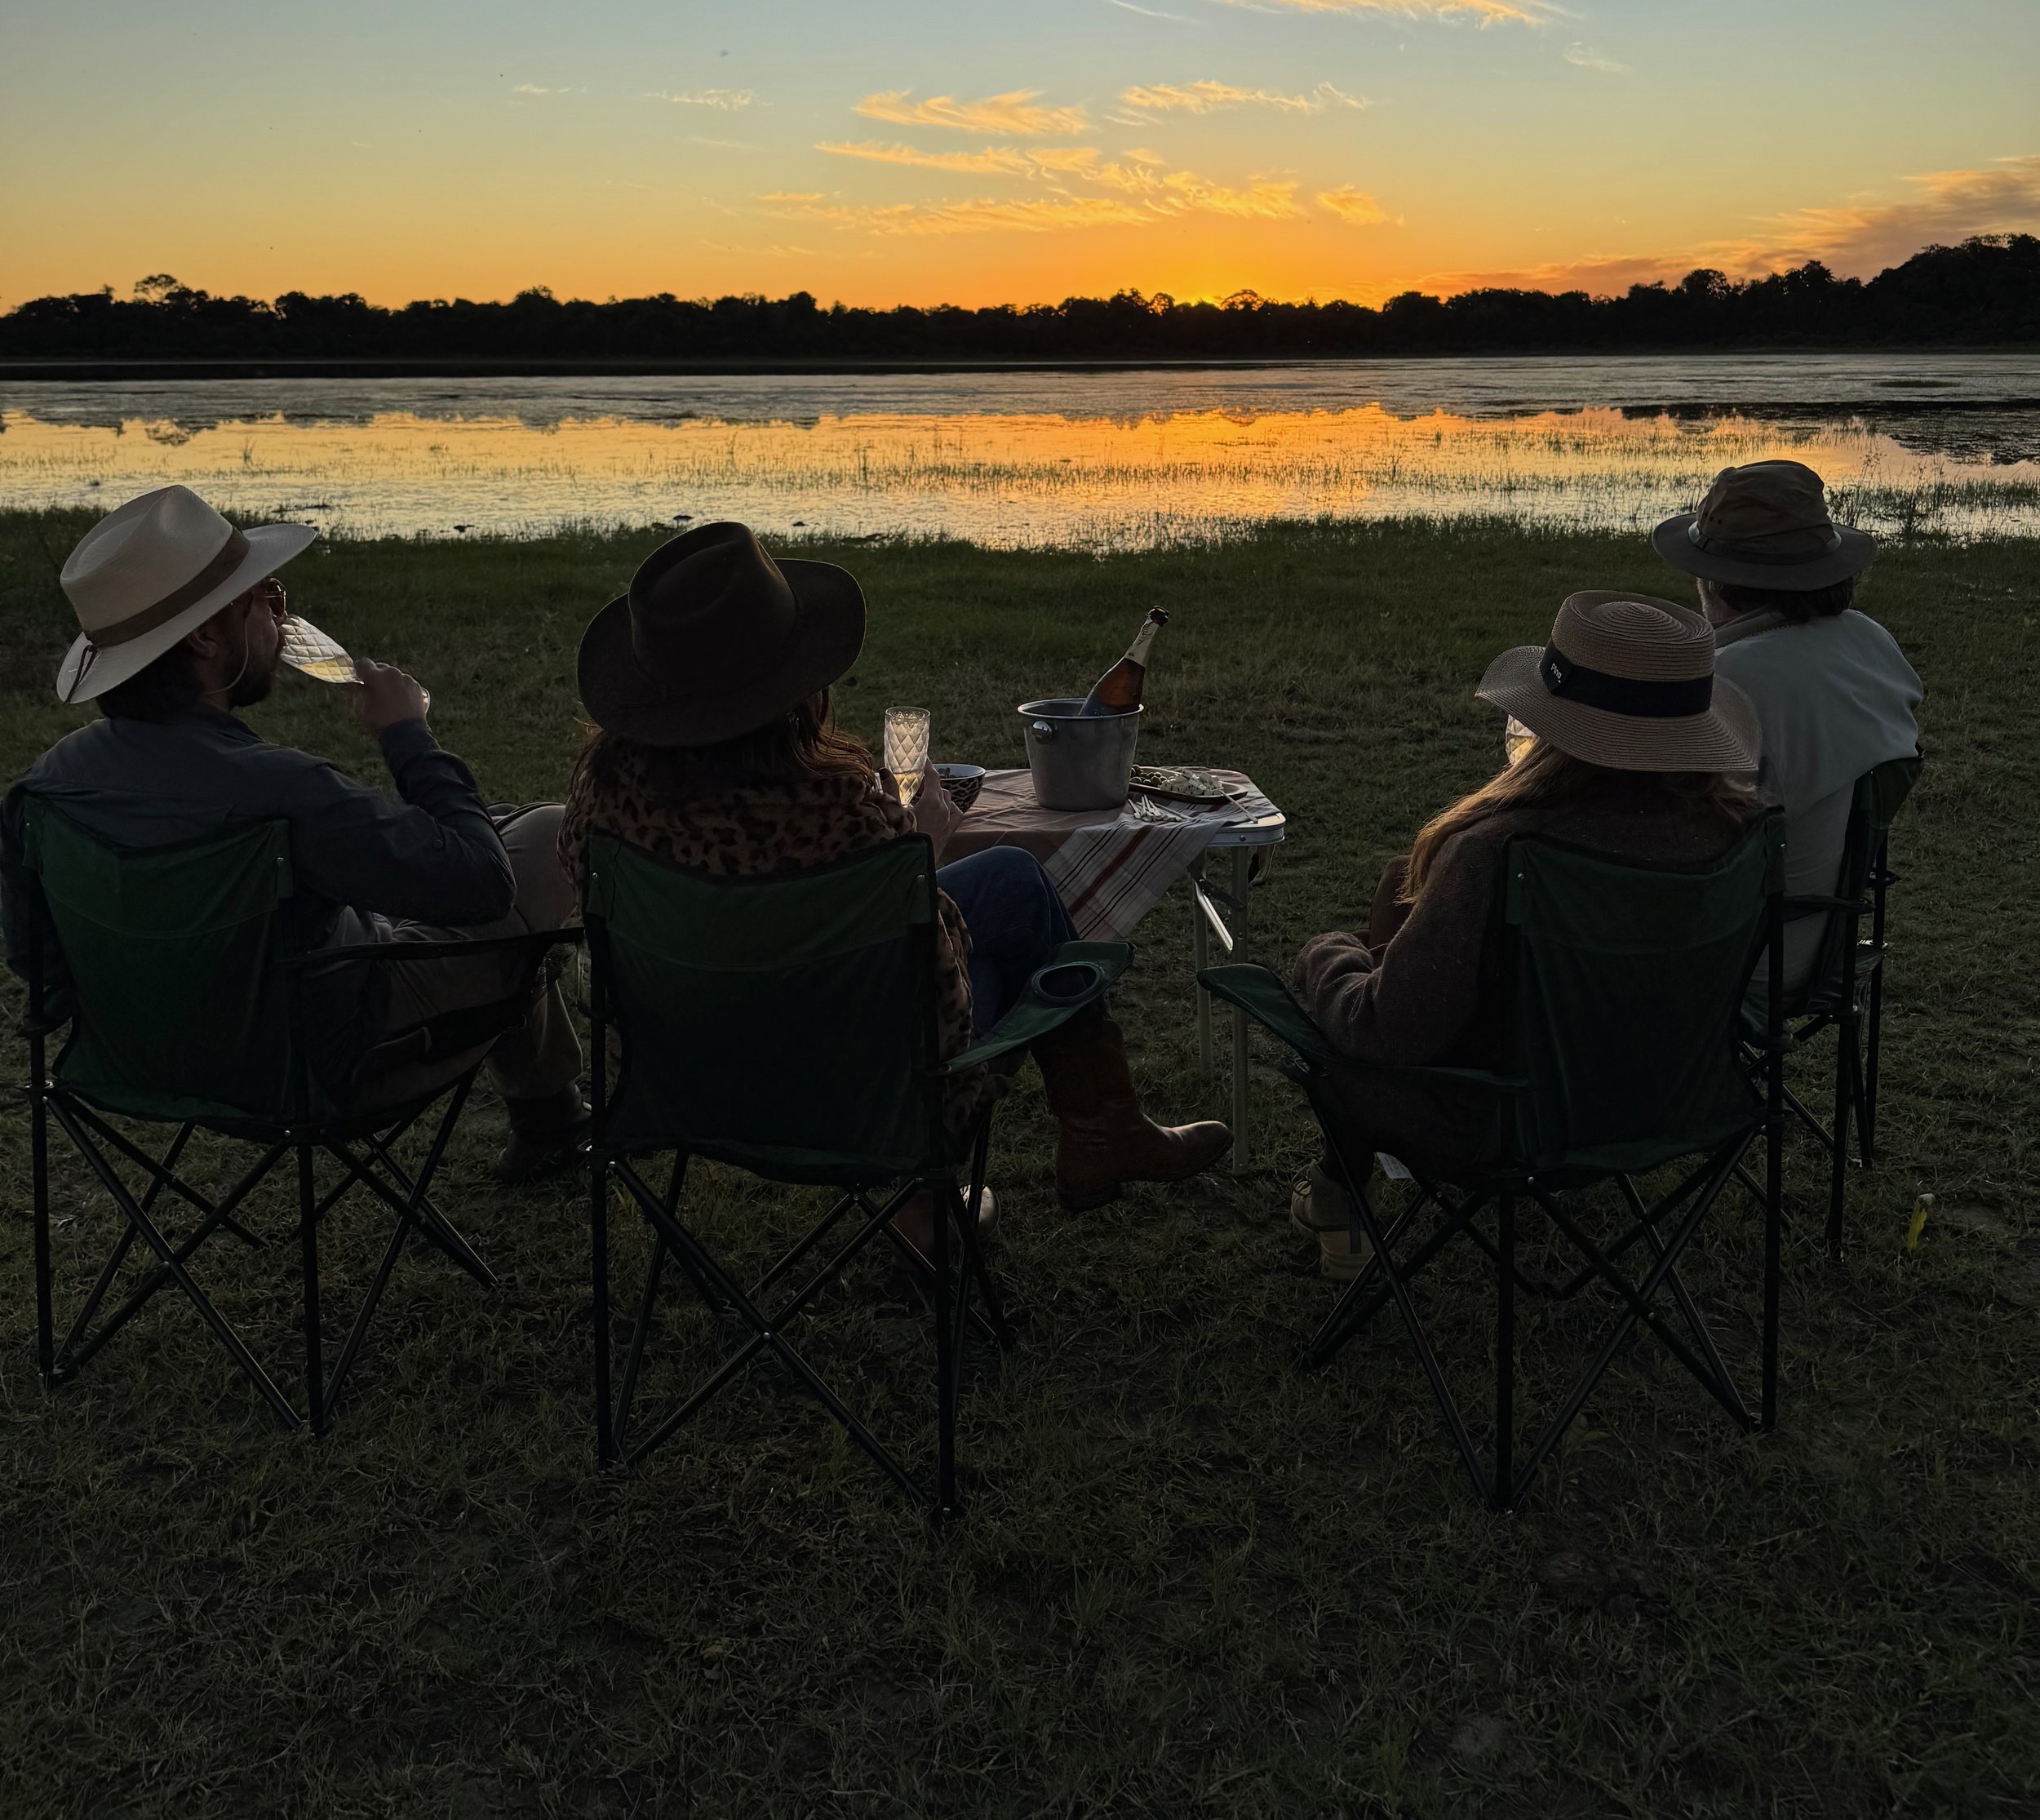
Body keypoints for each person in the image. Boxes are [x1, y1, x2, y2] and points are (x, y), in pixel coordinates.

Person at [557, 521, 1230, 1223]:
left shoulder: (601, 806)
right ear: (795, 685)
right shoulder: (835, 813)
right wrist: (923, 847)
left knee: (1010, 877)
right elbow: (941, 992)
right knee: (1012, 926)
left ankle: (1093, 1137)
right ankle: (997, 1176)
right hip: (862, 1099)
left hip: (677, 1081)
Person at [0, 484, 583, 1183]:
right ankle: (550, 1119)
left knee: (475, 838)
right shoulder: (283, 791)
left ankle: (551, 1120)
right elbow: (482, 887)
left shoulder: (44, 787)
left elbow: (40, 969)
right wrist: (408, 737)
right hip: (324, 1065)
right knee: (545, 835)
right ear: (206, 636)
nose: (282, 616)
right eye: (264, 598)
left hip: (139, 1063)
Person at [1287, 592, 1762, 1276]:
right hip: (1675, 1103)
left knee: (1338, 1051)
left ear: (1548, 724)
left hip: (1504, 1127)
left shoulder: (1497, 850)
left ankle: (1338, 1198)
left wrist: (1324, 956)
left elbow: (1385, 1034)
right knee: (1404, 891)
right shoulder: (1735, 832)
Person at [1651, 459, 1922, 996]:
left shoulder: (1729, 683)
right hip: (1821, 943)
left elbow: (1664, 848)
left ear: (1715, 581)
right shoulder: (1869, 644)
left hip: (1734, 958)